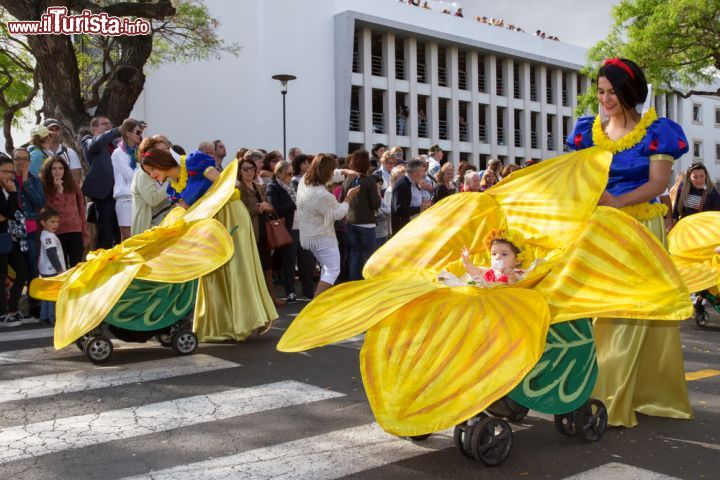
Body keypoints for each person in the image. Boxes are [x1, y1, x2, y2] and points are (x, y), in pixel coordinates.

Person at [567, 57, 692, 427]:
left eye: (612, 92)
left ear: (630, 92)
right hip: (599, 229)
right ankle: (627, 389)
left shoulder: (658, 132)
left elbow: (657, 184)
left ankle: (606, 396)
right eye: (601, 92)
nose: (605, 99)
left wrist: (617, 201)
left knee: (629, 313)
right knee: (596, 308)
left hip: (639, 229)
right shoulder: (587, 132)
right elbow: (579, 176)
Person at [142, 148, 277, 340]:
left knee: (236, 266)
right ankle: (221, 326)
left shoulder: (193, 162)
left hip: (230, 213)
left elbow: (228, 183)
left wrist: (207, 203)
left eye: (151, 170)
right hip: (211, 223)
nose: (152, 175)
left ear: (160, 164)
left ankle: (244, 322)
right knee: (212, 272)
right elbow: (183, 212)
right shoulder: (174, 186)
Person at [297, 154, 360, 297]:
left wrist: (344, 172)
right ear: (326, 172)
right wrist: (349, 197)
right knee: (332, 270)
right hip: (322, 236)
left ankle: (321, 300)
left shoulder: (304, 181)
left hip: (309, 235)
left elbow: (330, 176)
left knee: (327, 269)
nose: (334, 172)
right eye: (332, 170)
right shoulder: (322, 195)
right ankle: (316, 302)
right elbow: (337, 213)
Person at [237, 158, 286, 307]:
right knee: (253, 268)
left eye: (252, 168)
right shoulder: (238, 189)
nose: (249, 172)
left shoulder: (258, 186)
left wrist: (266, 206)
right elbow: (246, 210)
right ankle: (256, 301)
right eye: (245, 169)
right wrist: (261, 206)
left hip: (264, 231)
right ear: (239, 171)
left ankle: (270, 298)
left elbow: (270, 207)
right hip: (251, 233)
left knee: (267, 266)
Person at [82, 116, 133, 249]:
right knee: (105, 234)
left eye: (110, 123)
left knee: (122, 233)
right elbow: (96, 143)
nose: (109, 126)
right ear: (94, 129)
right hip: (105, 194)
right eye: (104, 124)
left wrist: (135, 132)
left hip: (121, 193)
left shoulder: (118, 143)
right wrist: (119, 129)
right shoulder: (88, 141)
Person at [13, 147, 45, 318]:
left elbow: (40, 201)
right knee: (17, 270)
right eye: (18, 158)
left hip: (31, 230)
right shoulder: (7, 178)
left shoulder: (34, 180)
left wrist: (25, 182)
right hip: (12, 230)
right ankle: (13, 305)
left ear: (29, 161)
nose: (21, 162)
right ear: (13, 160)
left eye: (24, 159)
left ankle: (34, 305)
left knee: (33, 268)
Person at [266, 160, 304, 304]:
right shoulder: (272, 187)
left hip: (300, 226)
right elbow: (276, 209)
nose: (291, 176)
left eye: (292, 173)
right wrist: (294, 203)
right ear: (279, 173)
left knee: (304, 260)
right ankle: (291, 292)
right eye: (289, 173)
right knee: (288, 261)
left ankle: (307, 291)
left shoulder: (292, 185)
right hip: (286, 229)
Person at [40, 157, 87, 268]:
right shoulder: (45, 188)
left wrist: (84, 233)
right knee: (61, 268)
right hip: (56, 233)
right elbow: (51, 212)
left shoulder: (73, 185)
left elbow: (81, 209)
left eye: (61, 168)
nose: (58, 171)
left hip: (75, 231)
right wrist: (58, 192)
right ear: (48, 170)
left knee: (77, 267)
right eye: (54, 168)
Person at [341, 150, 382, 281]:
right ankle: (368, 282)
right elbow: (376, 204)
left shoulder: (347, 180)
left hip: (350, 221)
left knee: (355, 255)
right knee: (369, 255)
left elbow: (343, 198)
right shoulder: (369, 180)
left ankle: (353, 283)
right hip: (366, 223)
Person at [0, 155, 29, 328]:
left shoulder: (10, 186)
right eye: (4, 171)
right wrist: (11, 193)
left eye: (11, 171)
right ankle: (2, 314)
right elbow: (9, 212)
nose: (8, 175)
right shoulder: (9, 189)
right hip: (2, 237)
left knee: (22, 272)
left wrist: (11, 194)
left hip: (11, 237)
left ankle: (12, 309)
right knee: (1, 275)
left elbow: (14, 212)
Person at [131, 137, 173, 235]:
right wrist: (171, 182)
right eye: (162, 150)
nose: (168, 152)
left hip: (166, 227)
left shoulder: (164, 170)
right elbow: (152, 199)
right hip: (149, 230)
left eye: (167, 148)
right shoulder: (143, 174)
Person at [111, 119, 143, 241]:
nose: (140, 135)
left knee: (139, 236)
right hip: (126, 199)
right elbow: (130, 175)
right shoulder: (118, 153)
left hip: (139, 198)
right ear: (128, 133)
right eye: (138, 132)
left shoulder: (138, 152)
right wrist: (143, 171)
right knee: (127, 237)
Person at [37, 207, 66, 325]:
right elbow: (51, 253)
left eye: (58, 222)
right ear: (43, 222)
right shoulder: (49, 236)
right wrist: (59, 269)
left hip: (45, 270)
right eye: (52, 222)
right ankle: (53, 318)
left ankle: (43, 317)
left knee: (46, 295)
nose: (56, 225)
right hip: (52, 270)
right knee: (54, 295)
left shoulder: (46, 235)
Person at [391, 159, 431, 234]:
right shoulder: (402, 185)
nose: (424, 174)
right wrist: (419, 208)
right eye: (423, 171)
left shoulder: (414, 183)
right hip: (404, 231)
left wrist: (423, 204)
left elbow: (413, 201)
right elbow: (399, 209)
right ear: (416, 172)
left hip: (414, 227)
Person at [43, 118, 83, 186]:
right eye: (51, 130)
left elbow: (76, 179)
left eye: (57, 129)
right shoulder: (39, 153)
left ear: (61, 131)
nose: (54, 132)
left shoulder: (69, 152)